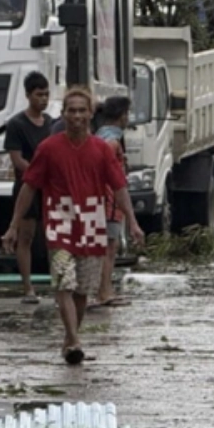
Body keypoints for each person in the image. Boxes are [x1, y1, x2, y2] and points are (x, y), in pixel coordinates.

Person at [2, 87, 142, 364]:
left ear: (91, 114)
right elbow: (29, 187)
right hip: (60, 220)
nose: (76, 116)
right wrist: (13, 225)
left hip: (92, 220)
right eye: (71, 110)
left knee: (82, 290)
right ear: (64, 114)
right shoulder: (49, 148)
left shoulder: (102, 149)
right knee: (64, 283)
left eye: (82, 110)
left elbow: (119, 187)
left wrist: (133, 223)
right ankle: (75, 339)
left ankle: (70, 339)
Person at [3, 71, 53, 303]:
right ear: (28, 95)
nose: (43, 99)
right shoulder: (16, 124)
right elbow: (17, 159)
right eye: (39, 95)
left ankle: (58, 283)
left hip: (51, 188)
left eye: (46, 94)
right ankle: (28, 287)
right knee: (26, 237)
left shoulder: (51, 123)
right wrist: (37, 175)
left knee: (54, 236)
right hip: (27, 187)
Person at [95, 95, 132, 307]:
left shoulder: (103, 136)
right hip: (109, 199)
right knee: (109, 247)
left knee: (110, 246)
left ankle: (105, 290)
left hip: (108, 199)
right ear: (122, 116)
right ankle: (104, 292)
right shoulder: (110, 140)